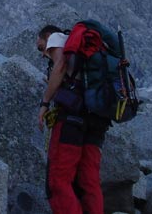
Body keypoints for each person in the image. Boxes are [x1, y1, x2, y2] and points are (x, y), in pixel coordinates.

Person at [36, 25, 110, 214]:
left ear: (47, 36)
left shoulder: (57, 39)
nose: (44, 54)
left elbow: (60, 65)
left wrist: (45, 102)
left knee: (58, 181)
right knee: (89, 181)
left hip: (71, 119)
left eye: (41, 47)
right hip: (97, 120)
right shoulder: (84, 52)